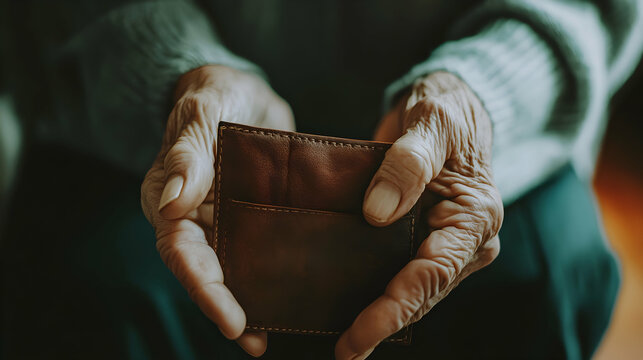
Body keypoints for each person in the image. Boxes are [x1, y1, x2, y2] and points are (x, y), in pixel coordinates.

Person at [1, 0, 642, 359]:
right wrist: (178, 76)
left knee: (552, 272)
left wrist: (479, 91)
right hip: (146, 129)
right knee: (91, 284)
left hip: (473, 145)